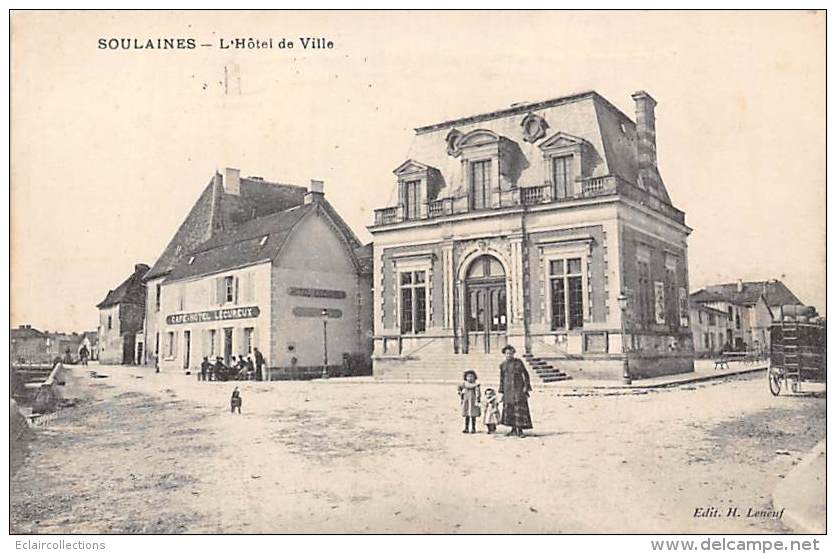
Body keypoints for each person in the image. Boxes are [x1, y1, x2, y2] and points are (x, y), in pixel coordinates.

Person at [498, 345, 533, 437]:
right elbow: (501, 379)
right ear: (504, 354)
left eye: (510, 353)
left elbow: (525, 375)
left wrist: (526, 387)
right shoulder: (503, 365)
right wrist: (502, 391)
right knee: (510, 410)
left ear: (513, 353)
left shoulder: (519, 363)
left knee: (519, 410)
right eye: (507, 353)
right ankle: (513, 429)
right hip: (508, 390)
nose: (509, 355)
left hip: (518, 390)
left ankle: (520, 430)